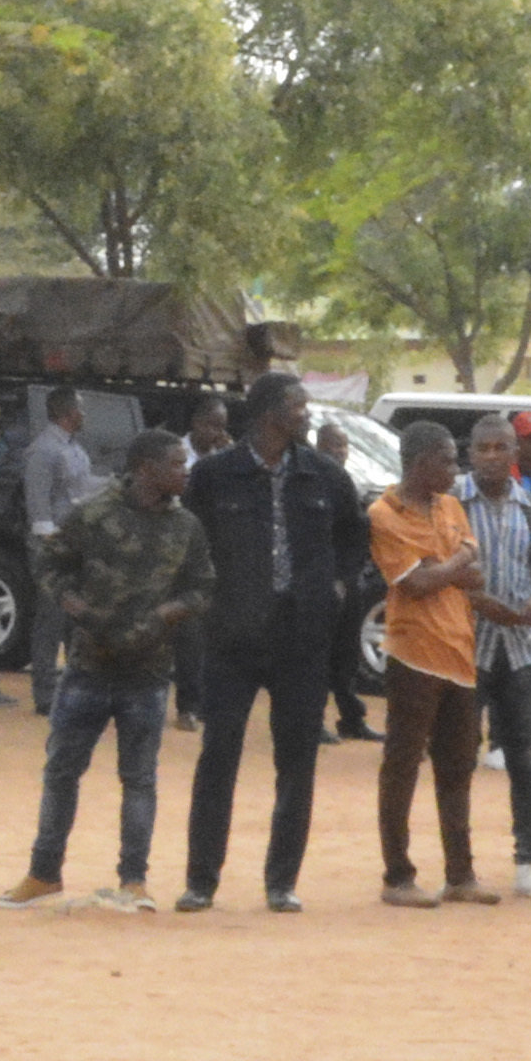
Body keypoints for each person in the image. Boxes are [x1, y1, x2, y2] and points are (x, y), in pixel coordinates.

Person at [0, 426, 210, 913]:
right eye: (176, 464)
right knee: (62, 772)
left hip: (148, 672)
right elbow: (50, 563)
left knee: (139, 779)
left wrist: (167, 614)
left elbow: (202, 586)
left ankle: (134, 881)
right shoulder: (93, 515)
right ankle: (43, 874)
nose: (185, 471)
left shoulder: (187, 527)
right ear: (145, 469)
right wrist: (70, 602)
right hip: (88, 667)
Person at [176, 375, 364, 915]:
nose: (307, 413)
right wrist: (207, 598)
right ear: (267, 414)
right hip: (232, 637)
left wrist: (337, 586)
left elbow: (354, 536)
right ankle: (201, 881)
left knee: (297, 760)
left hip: (301, 638)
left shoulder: (325, 475)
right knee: (219, 755)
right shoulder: (214, 475)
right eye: (297, 405)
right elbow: (190, 540)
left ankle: (281, 882)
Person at [366, 421, 489, 905]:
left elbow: (476, 576)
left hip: (459, 651)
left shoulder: (450, 507)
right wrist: (457, 562)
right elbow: (415, 584)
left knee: (457, 767)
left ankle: (460, 874)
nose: (456, 470)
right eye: (448, 460)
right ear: (420, 463)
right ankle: (397, 877)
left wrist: (445, 569)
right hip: (414, 654)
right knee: (402, 765)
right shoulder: (384, 514)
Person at [464, 421, 531, 893]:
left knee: (524, 757)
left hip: (520, 651)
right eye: (483, 448)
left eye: (501, 447)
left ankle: (528, 864)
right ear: (471, 453)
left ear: (516, 452)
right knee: (459, 756)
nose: (492, 456)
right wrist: (485, 605)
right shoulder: (453, 505)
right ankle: (459, 866)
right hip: (466, 649)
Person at [12, 388, 98, 707]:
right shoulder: (44, 450)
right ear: (66, 412)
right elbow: (39, 508)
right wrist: (52, 552)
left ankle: (73, 687)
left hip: (74, 546)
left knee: (74, 619)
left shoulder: (73, 448)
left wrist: (115, 484)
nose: (84, 414)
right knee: (50, 619)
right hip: (52, 548)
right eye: (80, 409)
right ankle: (45, 694)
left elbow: (83, 489)